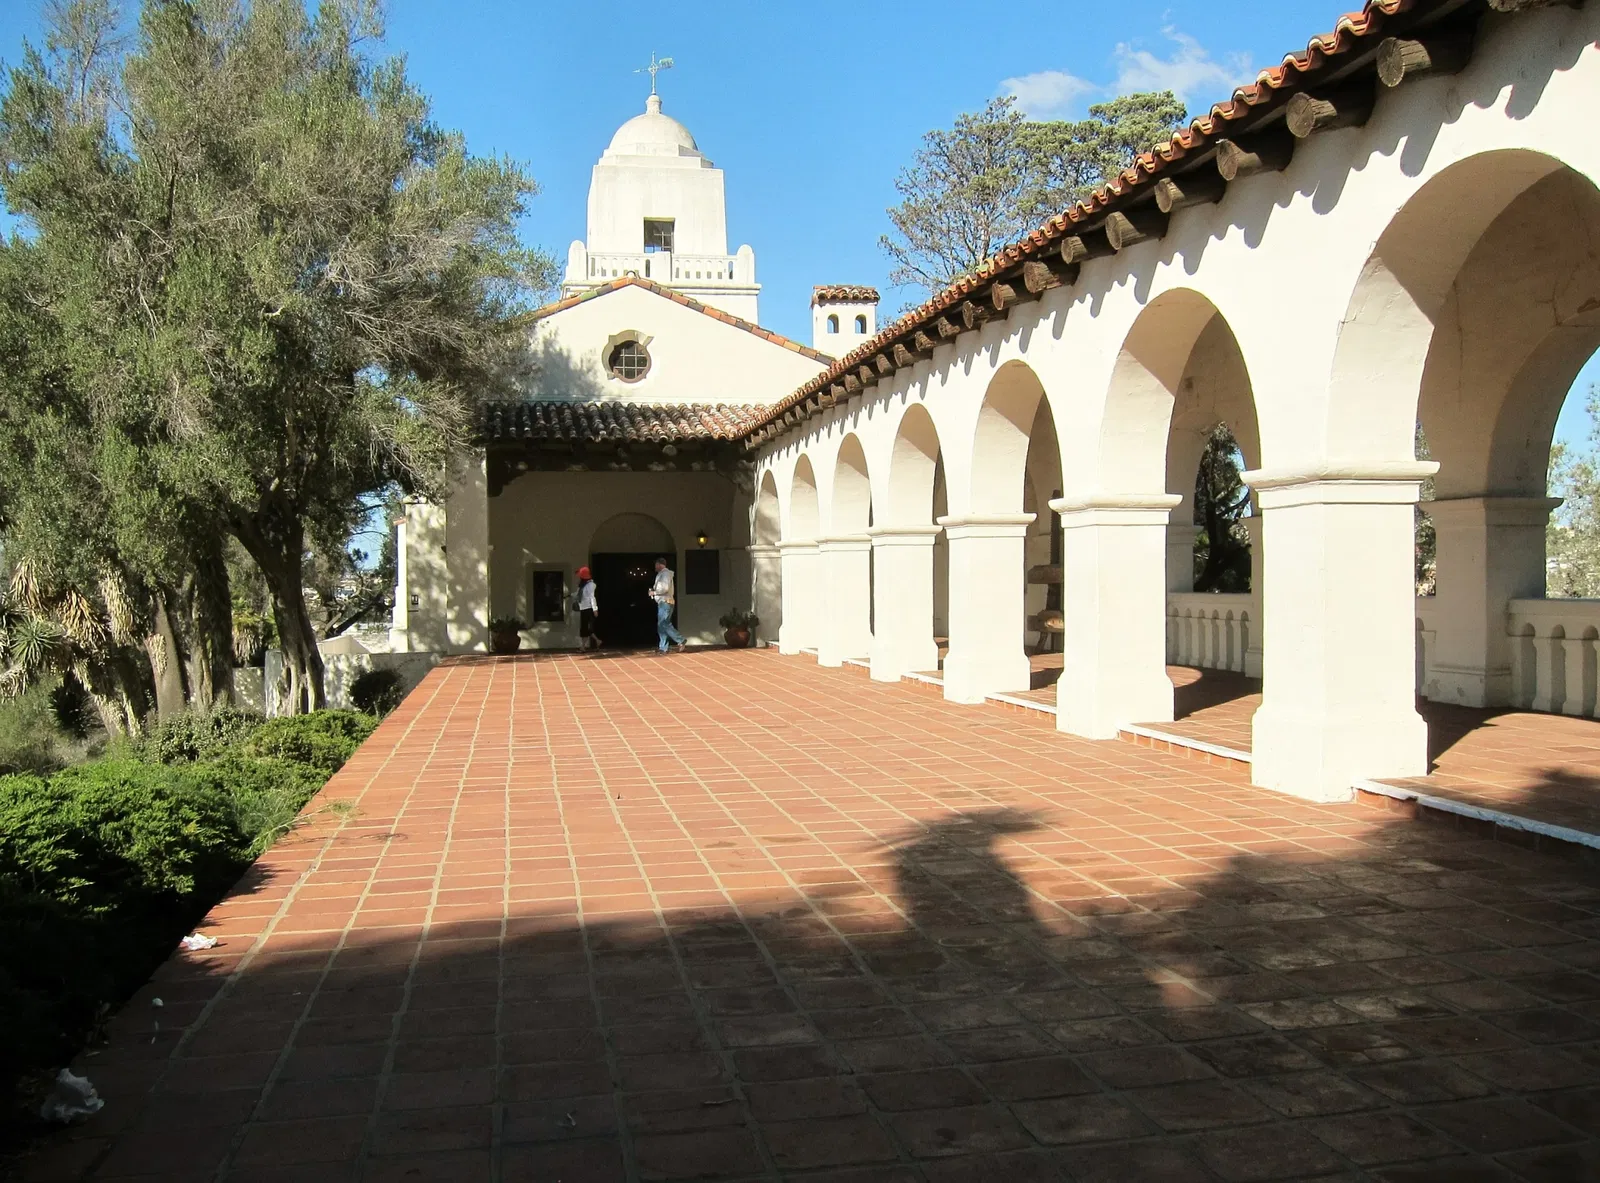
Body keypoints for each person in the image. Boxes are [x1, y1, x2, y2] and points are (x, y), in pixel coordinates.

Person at [649, 556, 686, 654]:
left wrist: (654, 593)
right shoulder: (662, 574)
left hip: (665, 602)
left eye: (656, 564)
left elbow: (664, 588)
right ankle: (663, 648)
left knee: (664, 623)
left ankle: (680, 640)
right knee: (661, 625)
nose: (655, 566)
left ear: (660, 564)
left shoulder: (665, 574)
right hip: (663, 602)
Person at [574, 566, 600, 650]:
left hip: (588, 608)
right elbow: (577, 594)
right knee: (585, 628)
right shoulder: (582, 585)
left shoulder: (591, 585)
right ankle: (596, 641)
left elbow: (592, 597)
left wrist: (595, 609)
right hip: (583, 608)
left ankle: (583, 646)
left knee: (586, 628)